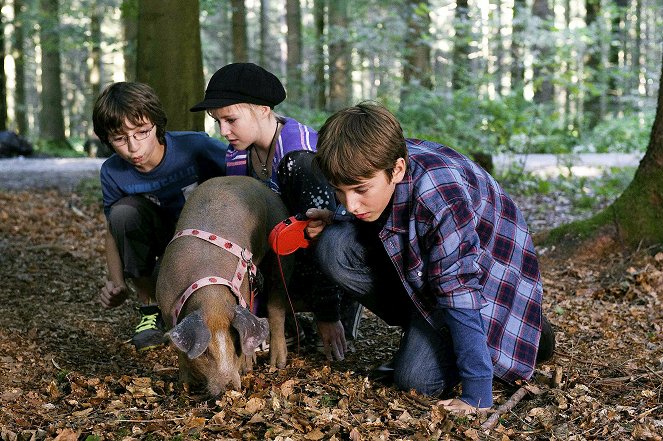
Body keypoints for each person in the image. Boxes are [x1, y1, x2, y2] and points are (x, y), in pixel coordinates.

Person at [306, 102, 555, 414]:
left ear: (396, 169)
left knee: (416, 381)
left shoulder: (440, 196)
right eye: (340, 192)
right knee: (334, 245)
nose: (351, 204)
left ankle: (525, 336)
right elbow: (377, 217)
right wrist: (336, 218)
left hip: (487, 284)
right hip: (429, 277)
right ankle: (426, 327)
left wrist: (477, 395)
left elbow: (460, 292)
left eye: (360, 190)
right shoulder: (367, 161)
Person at [189, 62, 362, 359]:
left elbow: (325, 237)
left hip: (326, 263)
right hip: (277, 258)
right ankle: (288, 322)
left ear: (263, 109)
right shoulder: (238, 153)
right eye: (217, 121)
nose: (224, 131)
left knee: (327, 353)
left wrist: (328, 314)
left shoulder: (301, 158)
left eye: (230, 119)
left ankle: (340, 309)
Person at [92, 82, 228, 351]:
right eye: (120, 139)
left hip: (208, 238)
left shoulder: (195, 147)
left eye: (142, 132)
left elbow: (243, 180)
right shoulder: (113, 172)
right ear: (107, 140)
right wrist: (117, 283)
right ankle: (149, 308)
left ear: (156, 124)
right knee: (123, 213)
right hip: (161, 240)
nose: (133, 146)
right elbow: (113, 228)